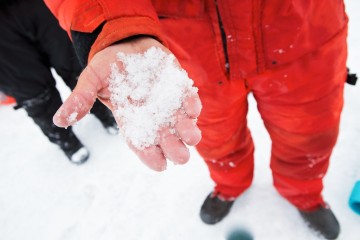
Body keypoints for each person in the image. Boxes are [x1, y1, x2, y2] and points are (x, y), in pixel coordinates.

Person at [43, 1, 349, 239]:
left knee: (309, 133)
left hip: (304, 29)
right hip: (189, 46)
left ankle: (305, 192)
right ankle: (230, 184)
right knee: (213, 136)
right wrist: (115, 24)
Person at [0, 0, 118, 164]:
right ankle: (66, 141)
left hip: (42, 5)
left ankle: (105, 114)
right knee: (34, 94)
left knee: (78, 66)